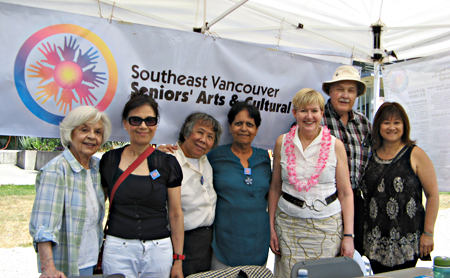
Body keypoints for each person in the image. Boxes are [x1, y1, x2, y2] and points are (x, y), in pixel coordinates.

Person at [268, 88, 354, 278]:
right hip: (288, 226)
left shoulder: (335, 145)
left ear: (322, 113)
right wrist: (272, 228)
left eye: (314, 111)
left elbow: (346, 193)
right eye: (303, 111)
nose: (309, 116)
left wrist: (348, 235)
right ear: (294, 113)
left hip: (327, 227)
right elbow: (275, 188)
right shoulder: (282, 142)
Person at [99, 92, 184, 278]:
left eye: (150, 120)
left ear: (156, 124)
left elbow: (176, 214)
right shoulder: (109, 160)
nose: (143, 126)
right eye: (136, 120)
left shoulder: (168, 163)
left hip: (159, 251)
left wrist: (178, 259)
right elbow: (98, 205)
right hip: (117, 249)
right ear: (125, 123)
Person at [29, 106, 112, 277]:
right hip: (67, 267)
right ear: (70, 133)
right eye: (84, 130)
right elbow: (44, 227)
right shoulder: (57, 170)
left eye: (98, 132)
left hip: (90, 262)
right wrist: (48, 268)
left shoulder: (96, 168)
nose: (92, 136)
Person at [360, 102, 439, 274]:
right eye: (386, 122)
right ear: (378, 126)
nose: (392, 127)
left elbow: (433, 195)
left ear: (404, 125)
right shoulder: (369, 155)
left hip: (407, 240)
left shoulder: (415, 154)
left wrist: (428, 233)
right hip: (375, 241)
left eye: (397, 122)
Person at [207, 101, 271, 269]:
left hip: (258, 241)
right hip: (224, 243)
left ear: (256, 130)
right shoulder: (214, 157)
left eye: (250, 124)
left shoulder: (264, 158)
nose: (244, 128)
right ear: (230, 127)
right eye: (238, 123)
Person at [321, 65, 372, 254]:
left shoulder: (363, 123)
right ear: (331, 91)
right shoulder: (316, 119)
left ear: (357, 95)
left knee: (351, 259)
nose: (345, 95)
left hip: (355, 203)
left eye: (351, 91)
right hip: (325, 201)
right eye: (340, 89)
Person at [169, 112, 223, 276]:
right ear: (187, 132)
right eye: (200, 132)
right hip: (180, 242)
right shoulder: (169, 160)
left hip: (205, 243)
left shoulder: (206, 162)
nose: (203, 140)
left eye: (210, 136)